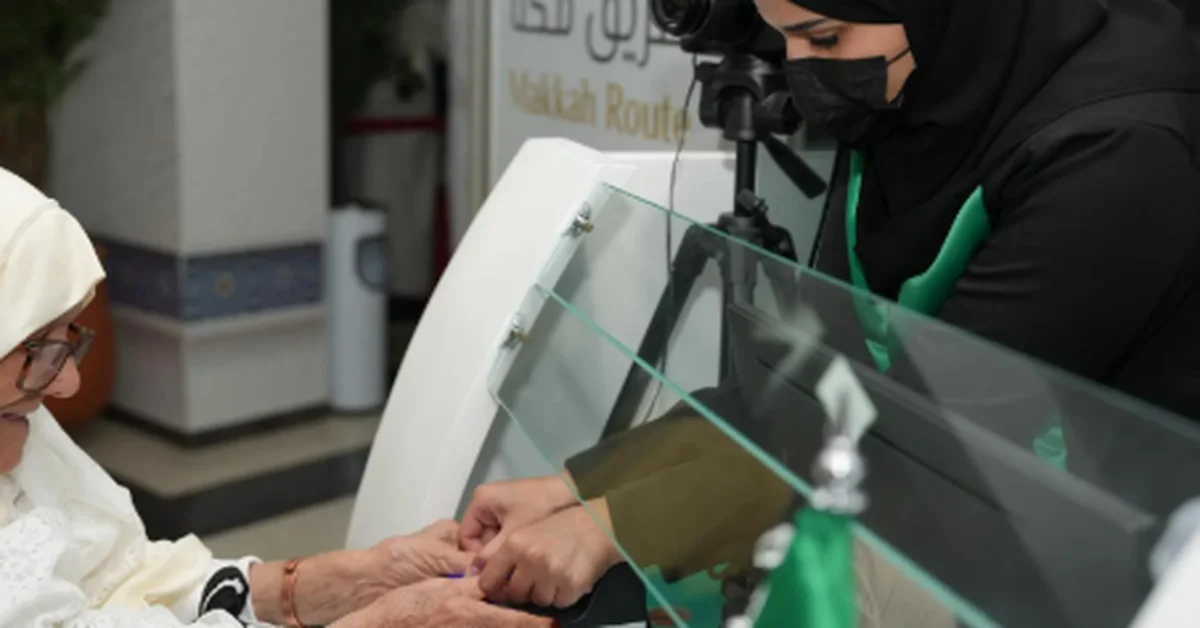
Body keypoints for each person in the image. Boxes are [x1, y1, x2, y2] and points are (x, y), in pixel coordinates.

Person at [458, 0, 1200, 623]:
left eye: (823, 38)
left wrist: (617, 524)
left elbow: (925, 440)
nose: (800, 70)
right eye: (782, 36)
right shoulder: (920, 89)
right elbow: (820, 381)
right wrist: (577, 488)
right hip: (949, 495)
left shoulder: (1118, 150)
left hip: (1108, 561)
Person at [0, 167, 550, 627]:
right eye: (36, 348)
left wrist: (351, 579)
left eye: (69, 340)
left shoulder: (23, 428)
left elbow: (123, 578)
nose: (66, 383)